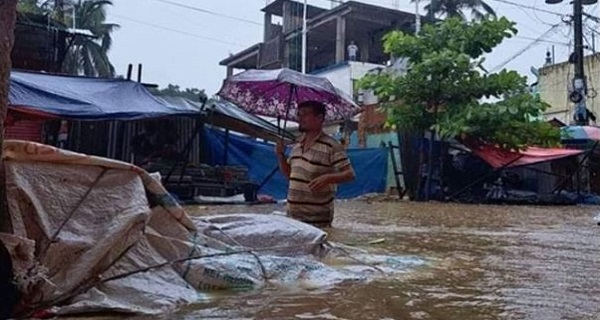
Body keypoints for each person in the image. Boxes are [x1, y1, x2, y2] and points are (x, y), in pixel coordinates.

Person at [275, 101, 356, 228]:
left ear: (320, 118)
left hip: (318, 221)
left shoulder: (331, 145)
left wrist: (327, 178)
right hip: (292, 219)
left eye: (305, 114)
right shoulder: (296, 146)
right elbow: (289, 175)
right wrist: (280, 155)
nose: (300, 118)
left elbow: (350, 174)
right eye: (299, 114)